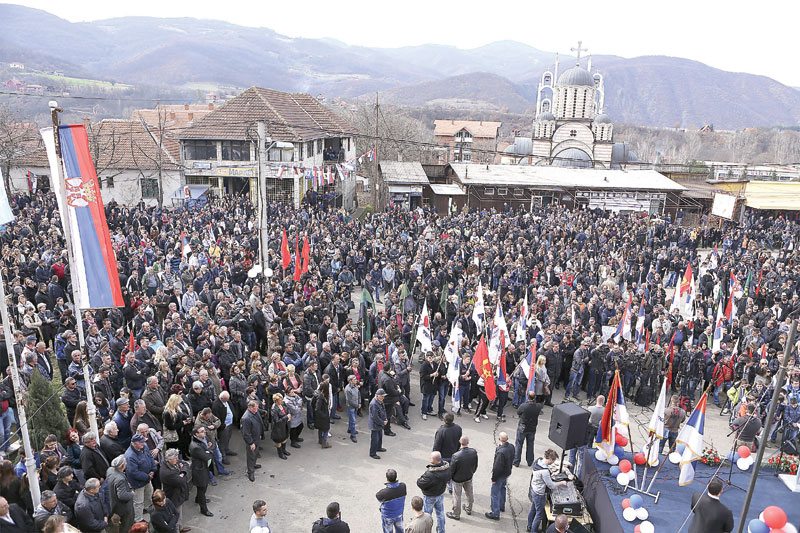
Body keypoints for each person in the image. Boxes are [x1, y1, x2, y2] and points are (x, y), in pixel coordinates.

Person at [528, 449, 567, 532]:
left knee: (533, 509)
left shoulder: (538, 461)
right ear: (550, 459)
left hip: (533, 489)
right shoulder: (545, 471)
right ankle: (533, 531)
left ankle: (529, 526)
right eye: (553, 461)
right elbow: (551, 486)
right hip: (539, 494)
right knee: (539, 514)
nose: (553, 463)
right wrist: (561, 483)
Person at [416, 451, 450, 533]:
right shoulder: (447, 468)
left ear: (434, 460)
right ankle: (441, 530)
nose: (429, 458)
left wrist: (422, 477)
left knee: (427, 516)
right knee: (440, 514)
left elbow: (420, 483)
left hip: (430, 497)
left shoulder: (430, 474)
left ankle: (426, 531)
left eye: (430, 457)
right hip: (440, 494)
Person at [125, 433, 157, 522]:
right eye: (141, 442)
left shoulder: (144, 447)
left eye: (143, 441)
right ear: (135, 444)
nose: (143, 443)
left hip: (147, 479)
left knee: (149, 496)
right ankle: (138, 520)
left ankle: (150, 511)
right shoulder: (130, 456)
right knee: (138, 502)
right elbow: (133, 472)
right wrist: (147, 476)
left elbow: (150, 458)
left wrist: (153, 470)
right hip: (138, 483)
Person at [160, 448, 191, 533]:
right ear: (169, 459)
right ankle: (177, 530)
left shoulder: (172, 462)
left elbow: (185, 464)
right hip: (173, 496)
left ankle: (180, 528)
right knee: (176, 516)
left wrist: (182, 473)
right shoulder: (167, 472)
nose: (177, 459)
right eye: (175, 458)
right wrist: (183, 472)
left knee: (179, 513)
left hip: (178, 494)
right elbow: (181, 481)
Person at [485, 431, 515, 521]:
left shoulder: (501, 452)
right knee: (502, 488)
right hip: (506, 472)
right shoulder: (511, 447)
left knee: (494, 493)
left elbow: (497, 467)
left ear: (499, 439)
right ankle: (501, 506)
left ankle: (495, 513)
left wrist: (494, 478)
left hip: (500, 475)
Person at [447, 435, 477, 521]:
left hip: (458, 479)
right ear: (468, 442)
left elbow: (452, 469)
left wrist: (449, 478)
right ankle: (469, 508)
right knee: (469, 493)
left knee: (457, 496)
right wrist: (472, 472)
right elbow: (475, 465)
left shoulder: (456, 455)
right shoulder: (473, 452)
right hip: (468, 476)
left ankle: (456, 514)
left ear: (460, 442)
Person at [189, 426, 215, 517]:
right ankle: (204, 509)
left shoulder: (202, 439)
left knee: (202, 488)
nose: (205, 432)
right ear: (196, 434)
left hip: (203, 467)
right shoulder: (195, 447)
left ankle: (198, 499)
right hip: (200, 470)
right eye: (202, 431)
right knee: (202, 488)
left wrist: (208, 450)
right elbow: (206, 457)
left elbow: (213, 443)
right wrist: (209, 450)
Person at [106, 455, 135, 533]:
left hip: (113, 501)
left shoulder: (110, 470)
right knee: (126, 524)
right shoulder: (120, 479)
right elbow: (122, 496)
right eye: (125, 462)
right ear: (123, 466)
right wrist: (131, 494)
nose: (126, 463)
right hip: (123, 507)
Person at [515, 390, 543, 467]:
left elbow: (518, 412)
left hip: (523, 427)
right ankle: (530, 461)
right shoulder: (538, 406)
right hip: (532, 428)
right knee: (530, 444)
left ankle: (516, 461)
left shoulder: (524, 406)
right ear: (535, 397)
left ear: (528, 397)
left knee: (519, 444)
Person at [376, 468, 406, 533]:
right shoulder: (403, 487)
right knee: (400, 530)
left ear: (387, 479)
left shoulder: (383, 493)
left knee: (388, 531)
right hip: (399, 514)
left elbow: (378, 497)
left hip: (388, 516)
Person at [241, 399, 265, 482]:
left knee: (255, 453)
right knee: (251, 455)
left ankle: (253, 465)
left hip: (257, 437)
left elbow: (260, 412)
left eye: (257, 407)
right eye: (256, 407)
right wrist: (251, 443)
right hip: (252, 440)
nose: (257, 409)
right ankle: (250, 472)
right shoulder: (246, 418)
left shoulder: (255, 411)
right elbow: (246, 433)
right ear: (250, 408)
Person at [270, 393, 291, 460]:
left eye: (282, 399)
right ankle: (280, 453)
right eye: (280, 400)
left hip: (285, 425)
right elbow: (276, 421)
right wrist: (286, 417)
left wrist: (289, 415)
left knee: (285, 438)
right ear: (276, 401)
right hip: (278, 428)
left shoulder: (283, 403)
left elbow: (288, 410)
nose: (281, 401)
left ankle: (284, 450)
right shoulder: (274, 409)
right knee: (279, 441)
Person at [369, 389, 388, 459]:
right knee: (375, 439)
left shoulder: (380, 401)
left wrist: (385, 418)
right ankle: (372, 453)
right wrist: (382, 422)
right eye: (382, 396)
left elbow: (383, 410)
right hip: (375, 424)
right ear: (377, 396)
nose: (383, 398)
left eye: (383, 396)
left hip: (379, 423)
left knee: (380, 436)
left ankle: (378, 447)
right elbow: (375, 417)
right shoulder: (374, 404)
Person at [344, 374, 360, 443]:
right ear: (350, 381)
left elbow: (359, 394)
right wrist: (356, 405)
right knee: (353, 420)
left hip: (356, 405)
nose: (356, 380)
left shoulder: (355, 386)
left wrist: (359, 402)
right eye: (354, 379)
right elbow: (349, 401)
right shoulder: (348, 389)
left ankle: (350, 429)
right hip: (351, 407)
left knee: (353, 419)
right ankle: (353, 435)